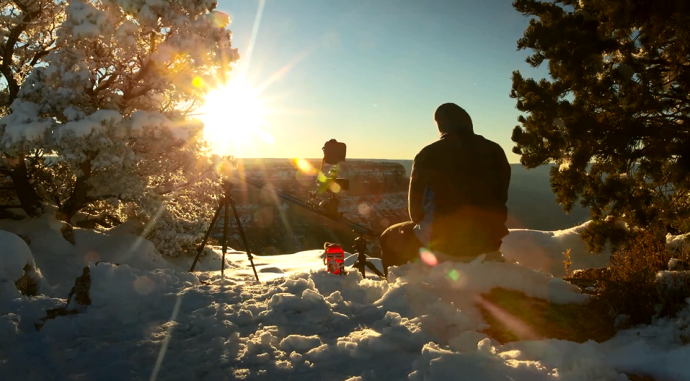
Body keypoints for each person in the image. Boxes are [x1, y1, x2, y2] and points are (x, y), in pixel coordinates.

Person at [379, 103, 511, 276]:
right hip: (489, 240)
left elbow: (415, 213)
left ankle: (400, 286)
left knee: (389, 236)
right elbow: (501, 196)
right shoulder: (496, 150)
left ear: (441, 125)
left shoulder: (428, 154)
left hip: (444, 242)